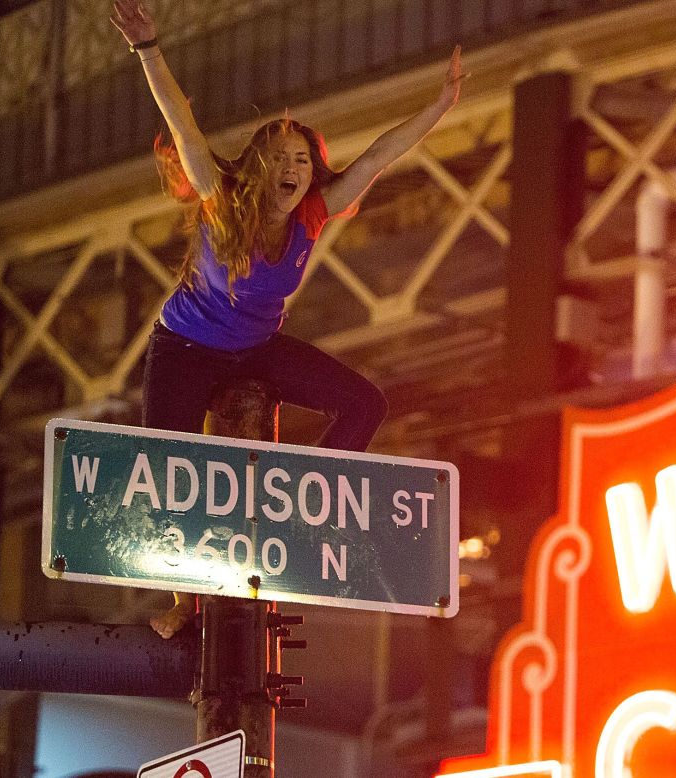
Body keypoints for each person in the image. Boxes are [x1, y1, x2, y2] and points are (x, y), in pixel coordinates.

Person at [109, 0, 462, 635]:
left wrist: (439, 108)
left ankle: (298, 512)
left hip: (257, 348)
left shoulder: (312, 216)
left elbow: (380, 154)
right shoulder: (221, 199)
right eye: (281, 159)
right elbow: (181, 121)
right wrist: (148, 47)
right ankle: (182, 603)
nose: (294, 170)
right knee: (167, 472)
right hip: (185, 348)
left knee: (364, 404)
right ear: (257, 167)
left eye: (303, 161)